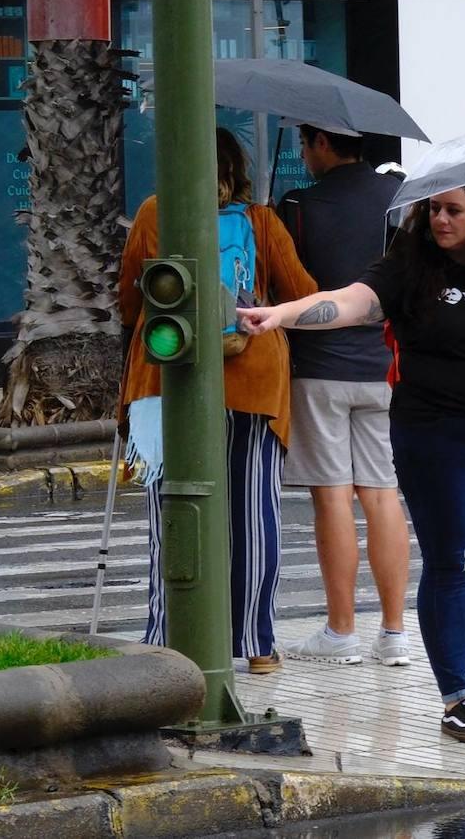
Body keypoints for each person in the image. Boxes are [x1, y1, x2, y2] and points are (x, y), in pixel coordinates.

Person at [238, 186, 465, 746]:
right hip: (435, 434)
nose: (441, 219)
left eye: (455, 210)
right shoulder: (409, 265)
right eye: (434, 209)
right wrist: (282, 314)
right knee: (452, 561)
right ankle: (458, 700)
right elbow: (350, 302)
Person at [118, 127, 317, 674]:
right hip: (254, 377)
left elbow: (130, 298)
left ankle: (166, 632)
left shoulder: (155, 213)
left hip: (169, 377)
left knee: (171, 512)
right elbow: (303, 293)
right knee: (254, 513)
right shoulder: (261, 219)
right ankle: (256, 644)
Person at [273, 125, 412, 667]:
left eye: (306, 146)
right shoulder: (399, 203)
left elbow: (285, 281)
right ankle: (395, 633)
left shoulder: (298, 205)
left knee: (332, 496)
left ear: (321, 144)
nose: (304, 156)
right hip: (385, 369)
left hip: (318, 369)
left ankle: (341, 631)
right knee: (382, 494)